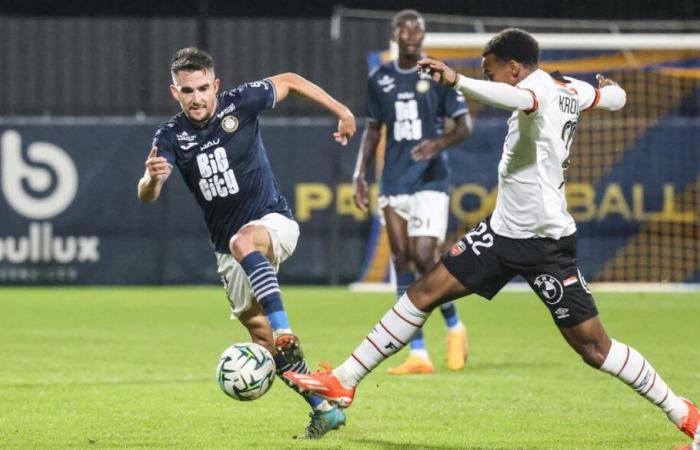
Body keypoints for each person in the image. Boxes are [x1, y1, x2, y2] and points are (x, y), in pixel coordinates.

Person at [284, 29, 700, 449]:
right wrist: (613, 92)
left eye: (493, 71)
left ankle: (686, 415)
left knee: (595, 350)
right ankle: (343, 381)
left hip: (544, 243)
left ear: (514, 68)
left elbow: (519, 99)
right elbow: (612, 99)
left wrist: (458, 81)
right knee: (423, 292)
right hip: (501, 232)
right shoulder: (569, 85)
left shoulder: (534, 89)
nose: (492, 77)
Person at [137, 47, 356, 439]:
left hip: (273, 223)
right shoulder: (170, 136)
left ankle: (285, 326)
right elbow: (146, 194)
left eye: (204, 88)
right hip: (228, 252)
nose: (197, 97)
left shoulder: (240, 102)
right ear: (175, 92)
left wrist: (342, 110)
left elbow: (290, 79)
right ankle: (324, 410)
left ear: (215, 85)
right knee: (264, 343)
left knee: (246, 241)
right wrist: (153, 179)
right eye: (188, 91)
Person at [353, 9, 472, 374]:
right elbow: (373, 130)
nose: (411, 36)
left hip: (431, 178)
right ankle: (418, 352)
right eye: (404, 30)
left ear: (423, 36)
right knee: (400, 259)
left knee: (424, 256)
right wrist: (360, 174)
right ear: (395, 35)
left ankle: (455, 327)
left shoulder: (436, 74)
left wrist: (437, 144)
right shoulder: (381, 79)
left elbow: (464, 125)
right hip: (394, 179)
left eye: (417, 30)